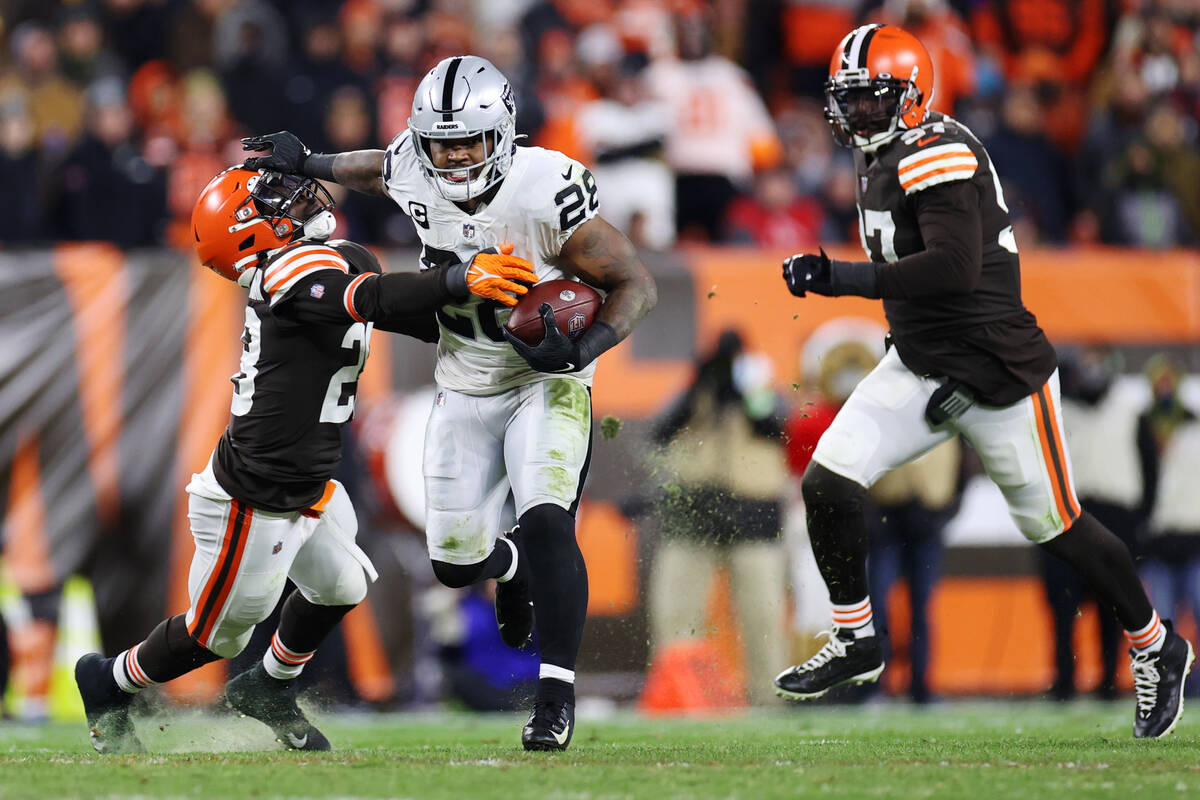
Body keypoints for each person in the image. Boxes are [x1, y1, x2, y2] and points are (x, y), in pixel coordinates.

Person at [773, 24, 1193, 739]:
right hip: (921, 361)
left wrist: (838, 276)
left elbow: (953, 270)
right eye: (850, 100)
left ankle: (1158, 642)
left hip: (998, 369)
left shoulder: (937, 152)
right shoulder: (881, 157)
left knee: (1057, 527)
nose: (858, 115)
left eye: (873, 100)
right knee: (828, 480)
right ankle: (857, 637)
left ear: (912, 98)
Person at [241, 53, 657, 751]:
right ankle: (513, 567)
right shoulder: (413, 165)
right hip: (464, 378)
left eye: (469, 139)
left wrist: (581, 351)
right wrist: (310, 160)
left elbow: (635, 283)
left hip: (543, 377)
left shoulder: (544, 186)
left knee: (549, 516)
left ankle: (554, 696)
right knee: (454, 562)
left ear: (503, 134)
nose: (456, 155)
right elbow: (379, 168)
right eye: (442, 142)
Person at [72, 164, 537, 754]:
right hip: (253, 493)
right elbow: (372, 296)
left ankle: (270, 688)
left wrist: (498, 319)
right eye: (270, 204)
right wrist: (457, 278)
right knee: (216, 637)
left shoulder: (336, 256)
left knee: (341, 586)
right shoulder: (284, 272)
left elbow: (407, 314)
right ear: (250, 235)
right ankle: (110, 681)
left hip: (307, 481)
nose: (292, 201)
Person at [647, 330, 788, 706]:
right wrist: (698, 387)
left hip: (753, 514)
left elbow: (777, 425)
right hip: (694, 513)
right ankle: (679, 696)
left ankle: (769, 698)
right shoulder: (695, 393)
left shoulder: (763, 392)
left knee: (763, 617)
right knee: (678, 614)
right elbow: (659, 431)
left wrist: (745, 391)